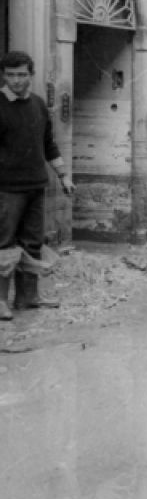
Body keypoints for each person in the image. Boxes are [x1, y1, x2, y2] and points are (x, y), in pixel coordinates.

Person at [0, 51, 75, 320]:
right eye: (10, 75)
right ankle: (0, 301)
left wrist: (63, 175)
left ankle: (27, 297)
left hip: (36, 186)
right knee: (4, 244)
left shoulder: (39, 105)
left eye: (21, 74)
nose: (16, 81)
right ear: (3, 76)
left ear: (31, 75)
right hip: (6, 189)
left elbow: (48, 144)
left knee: (32, 242)